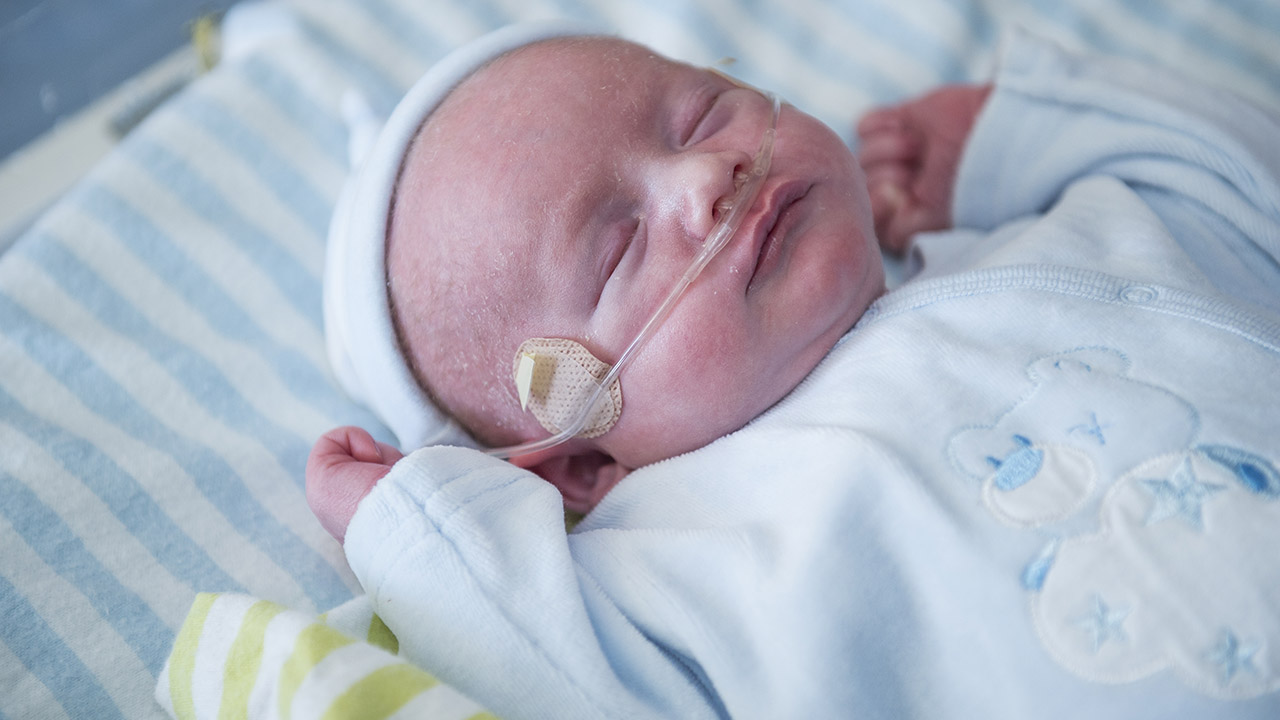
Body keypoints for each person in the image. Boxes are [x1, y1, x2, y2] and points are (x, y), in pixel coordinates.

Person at [309, 22, 1280, 719]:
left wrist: (1005, 141)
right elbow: (553, 675)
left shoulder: (1062, 234)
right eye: (616, 250)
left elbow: (1242, 183)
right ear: (579, 467)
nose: (704, 179)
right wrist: (424, 538)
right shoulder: (673, 566)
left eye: (702, 114)